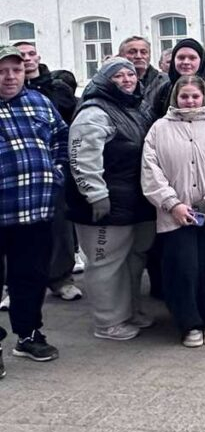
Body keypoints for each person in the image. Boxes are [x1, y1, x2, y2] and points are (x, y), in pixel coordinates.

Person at [141, 75, 205, 348]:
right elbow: (151, 170)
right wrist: (173, 203)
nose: (190, 101)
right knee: (183, 269)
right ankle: (189, 323)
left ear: (204, 97)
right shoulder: (159, 129)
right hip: (175, 214)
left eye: (195, 96)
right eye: (185, 96)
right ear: (175, 98)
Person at [67, 57, 155, 341]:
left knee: (132, 260)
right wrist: (95, 195)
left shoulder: (134, 107)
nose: (127, 80)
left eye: (131, 74)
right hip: (105, 204)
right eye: (118, 76)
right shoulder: (94, 112)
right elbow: (82, 157)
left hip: (134, 202)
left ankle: (129, 311)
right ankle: (108, 322)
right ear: (105, 80)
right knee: (105, 264)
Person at [0, 45, 66, 372]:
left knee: (31, 276)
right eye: (2, 70)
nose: (10, 76)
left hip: (36, 210)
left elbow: (61, 140)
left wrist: (58, 173)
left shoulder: (39, 102)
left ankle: (28, 335)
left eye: (16, 69)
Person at [14, 42, 81, 303]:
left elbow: (64, 127)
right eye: (22, 56)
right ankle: (13, 285)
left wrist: (61, 163)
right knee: (15, 233)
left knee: (59, 228)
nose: (27, 60)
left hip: (50, 172)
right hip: (14, 175)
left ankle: (61, 278)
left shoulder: (54, 89)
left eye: (31, 55)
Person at [152, 40, 205, 123]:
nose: (186, 62)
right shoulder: (164, 90)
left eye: (192, 58)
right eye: (181, 57)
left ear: (201, 61)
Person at [118, 36, 165, 108]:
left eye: (143, 52)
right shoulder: (113, 82)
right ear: (121, 56)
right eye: (132, 52)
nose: (138, 56)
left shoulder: (166, 82)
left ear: (149, 56)